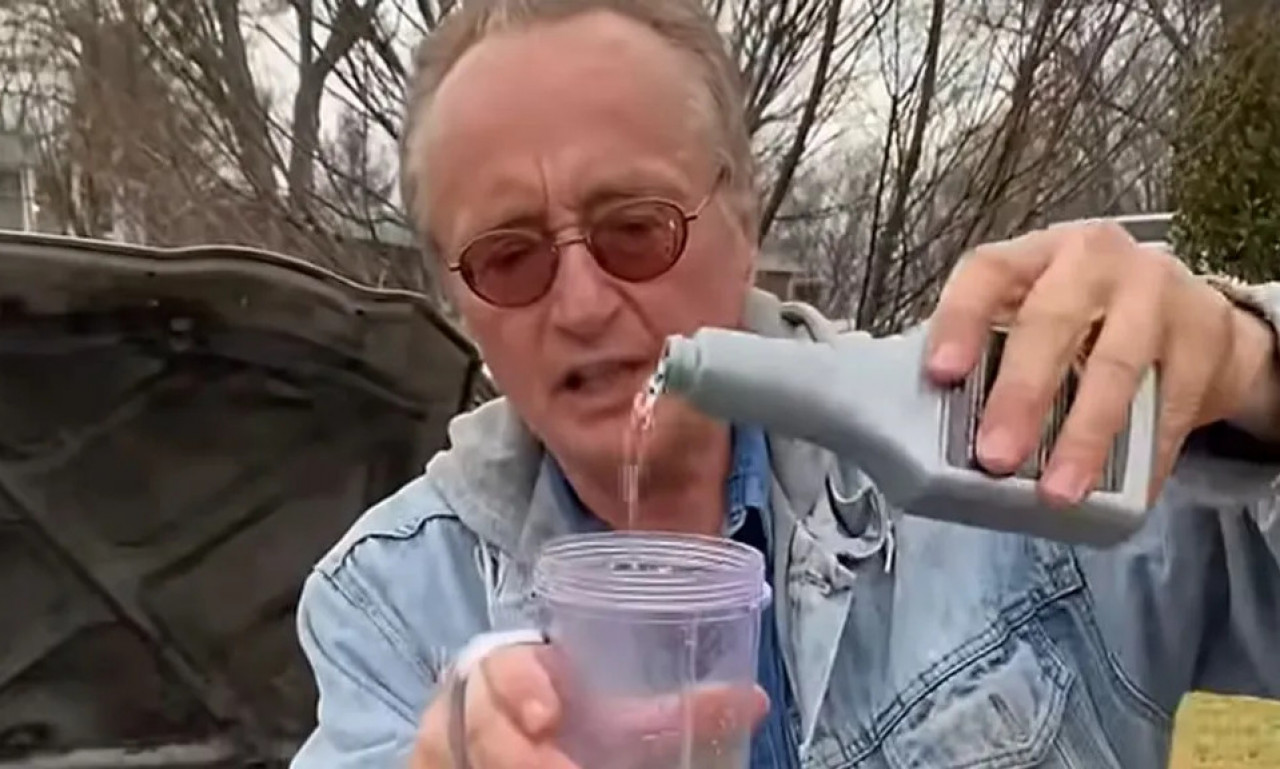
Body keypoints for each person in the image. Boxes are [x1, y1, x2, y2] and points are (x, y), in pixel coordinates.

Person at [289, 1, 1280, 767]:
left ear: (743, 219)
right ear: (457, 300)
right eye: (510, 259)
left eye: (635, 228)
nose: (582, 305)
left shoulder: (1001, 460)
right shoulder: (392, 601)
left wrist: (1250, 374)